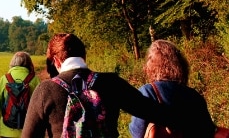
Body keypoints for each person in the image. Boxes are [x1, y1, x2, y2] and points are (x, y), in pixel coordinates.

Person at [22, 33, 189, 138]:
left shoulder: (45, 90)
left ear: (56, 61)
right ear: (84, 56)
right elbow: (155, 112)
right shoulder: (111, 82)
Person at [129, 39, 216, 138]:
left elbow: (137, 132)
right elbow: (208, 131)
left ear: (151, 66)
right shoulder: (194, 96)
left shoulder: (148, 92)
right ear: (180, 65)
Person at [0, 51, 41, 138]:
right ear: (29, 63)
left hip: (6, 129)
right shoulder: (35, 80)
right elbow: (40, 107)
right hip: (28, 131)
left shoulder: (4, 79)